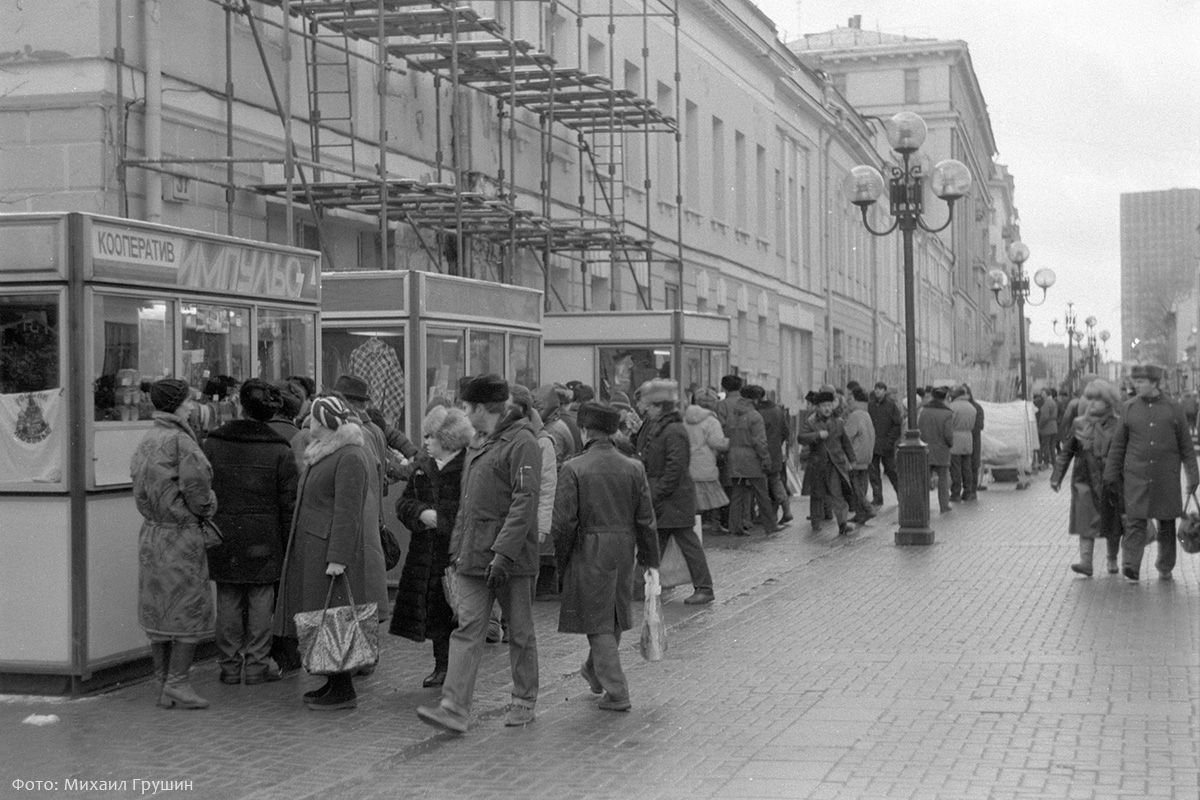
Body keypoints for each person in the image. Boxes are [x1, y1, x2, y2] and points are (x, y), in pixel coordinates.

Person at [417, 374, 542, 734]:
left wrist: (503, 554)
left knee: (519, 631)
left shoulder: (522, 443)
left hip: (510, 560)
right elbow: (467, 507)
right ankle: (454, 708)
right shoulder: (477, 443)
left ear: (481, 408)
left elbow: (524, 502)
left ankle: (524, 699)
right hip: (473, 555)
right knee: (467, 629)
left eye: (466, 407)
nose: (462, 413)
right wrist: (458, 549)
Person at [553, 402, 661, 712]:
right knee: (610, 613)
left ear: (585, 430)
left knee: (597, 622)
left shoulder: (573, 468)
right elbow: (646, 520)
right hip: (624, 548)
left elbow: (564, 523)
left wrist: (563, 561)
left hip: (589, 547)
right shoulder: (633, 467)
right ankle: (593, 670)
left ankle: (616, 690)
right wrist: (651, 561)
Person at [276, 395, 377, 710]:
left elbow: (348, 513)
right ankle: (332, 681)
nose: (310, 423)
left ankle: (343, 687)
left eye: (316, 418)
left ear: (329, 422)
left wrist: (339, 557)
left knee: (336, 618)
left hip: (329, 551)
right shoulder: (327, 453)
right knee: (321, 616)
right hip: (315, 547)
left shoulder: (349, 456)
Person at [202, 379, 299, 686]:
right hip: (265, 535)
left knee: (229, 595)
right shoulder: (280, 450)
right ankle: (257, 664)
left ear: (242, 407)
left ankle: (229, 666)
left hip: (224, 531)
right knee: (261, 598)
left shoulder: (213, 443)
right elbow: (289, 503)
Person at [130, 378, 218, 709]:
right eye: (189, 400)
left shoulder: (147, 439)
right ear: (179, 404)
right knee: (187, 609)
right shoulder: (182, 442)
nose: (193, 405)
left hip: (152, 535)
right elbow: (199, 492)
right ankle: (178, 683)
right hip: (181, 536)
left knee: (158, 613)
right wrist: (210, 506)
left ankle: (162, 683)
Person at [390, 405, 474, 688]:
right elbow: (403, 504)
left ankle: (457, 668)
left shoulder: (468, 468)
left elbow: (473, 510)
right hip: (426, 554)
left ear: (446, 438)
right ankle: (442, 666)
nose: (424, 441)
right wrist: (420, 513)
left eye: (430, 436)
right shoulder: (423, 469)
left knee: (456, 612)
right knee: (437, 613)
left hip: (455, 552)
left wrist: (443, 520)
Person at [1103, 364, 1199, 581]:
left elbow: (1186, 446)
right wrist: (1110, 474)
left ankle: (1165, 565)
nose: (1136, 385)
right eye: (1135, 381)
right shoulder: (1128, 408)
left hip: (1166, 476)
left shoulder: (1174, 409)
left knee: (1166, 522)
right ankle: (1131, 565)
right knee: (1135, 522)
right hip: (1136, 476)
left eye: (1141, 382)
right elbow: (1118, 446)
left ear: (1155, 383)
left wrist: (1193, 476)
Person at [637, 378, 714, 604]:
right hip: (669, 498)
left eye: (650, 406)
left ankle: (704, 588)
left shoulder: (672, 430)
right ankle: (641, 585)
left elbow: (675, 467)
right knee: (657, 542)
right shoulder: (664, 428)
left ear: (660, 407)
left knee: (685, 544)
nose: (647, 410)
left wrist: (656, 493)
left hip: (672, 499)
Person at [1050, 379, 1125, 576]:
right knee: (1085, 522)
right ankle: (1086, 562)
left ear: (1109, 402)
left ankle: (1112, 558)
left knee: (1113, 524)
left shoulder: (1118, 425)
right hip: (1084, 479)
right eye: (1089, 399)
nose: (1091, 404)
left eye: (1097, 400)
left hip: (1110, 480)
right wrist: (1056, 476)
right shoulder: (1079, 424)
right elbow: (1067, 452)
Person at [796, 390, 856, 535]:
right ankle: (815, 523)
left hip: (835, 464)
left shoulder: (838, 422)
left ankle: (842, 523)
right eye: (824, 405)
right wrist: (817, 435)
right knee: (817, 494)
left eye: (829, 405)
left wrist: (852, 459)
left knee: (837, 494)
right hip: (818, 463)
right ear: (817, 407)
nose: (827, 408)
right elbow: (801, 438)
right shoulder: (811, 422)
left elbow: (845, 442)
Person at [723, 384, 775, 536]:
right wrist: (765, 459)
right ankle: (770, 526)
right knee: (761, 494)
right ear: (756, 399)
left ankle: (735, 527)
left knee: (737, 495)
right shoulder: (755, 416)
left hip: (735, 459)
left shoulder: (733, 414)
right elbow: (760, 442)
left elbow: (727, 434)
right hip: (752, 460)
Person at [684, 388, 729, 534]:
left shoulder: (684, 418)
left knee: (693, 497)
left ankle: (694, 524)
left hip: (688, 462)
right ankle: (714, 524)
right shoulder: (711, 421)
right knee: (713, 496)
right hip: (705, 462)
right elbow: (717, 442)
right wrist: (729, 442)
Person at [756, 388, 792, 524]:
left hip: (761, 454)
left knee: (762, 486)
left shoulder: (757, 413)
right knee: (776, 482)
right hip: (776, 452)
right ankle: (787, 509)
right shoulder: (778, 410)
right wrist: (777, 443)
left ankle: (765, 515)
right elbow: (786, 432)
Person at [917, 386, 954, 513]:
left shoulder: (924, 411)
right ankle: (944, 505)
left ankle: (923, 506)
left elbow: (919, 428)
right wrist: (950, 444)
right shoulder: (947, 413)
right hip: (941, 450)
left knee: (924, 480)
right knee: (943, 479)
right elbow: (948, 434)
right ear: (944, 398)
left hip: (926, 449)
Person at [867, 380, 903, 507]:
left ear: (884, 391)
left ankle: (901, 495)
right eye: (876, 388)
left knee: (891, 470)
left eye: (880, 389)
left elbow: (897, 424)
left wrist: (890, 440)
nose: (877, 391)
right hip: (873, 444)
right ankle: (877, 497)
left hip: (886, 444)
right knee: (873, 472)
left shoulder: (891, 405)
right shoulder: (870, 405)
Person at [843, 387, 876, 524]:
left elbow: (847, 436)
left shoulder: (855, 415)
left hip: (855, 456)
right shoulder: (866, 414)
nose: (847, 403)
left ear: (855, 400)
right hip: (866, 455)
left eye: (850, 399)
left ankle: (867, 509)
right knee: (862, 484)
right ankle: (860, 514)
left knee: (855, 486)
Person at [948, 386, 978, 503]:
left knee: (955, 467)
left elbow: (950, 423)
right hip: (968, 437)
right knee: (967, 467)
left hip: (956, 438)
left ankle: (956, 493)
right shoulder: (971, 407)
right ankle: (968, 491)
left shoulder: (953, 407)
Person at [962, 384, 986, 494]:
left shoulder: (976, 407)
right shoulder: (976, 407)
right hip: (966, 440)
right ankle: (969, 490)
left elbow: (979, 425)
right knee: (966, 465)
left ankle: (972, 489)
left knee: (973, 465)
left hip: (973, 440)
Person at [1037, 387, 1059, 469]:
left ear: (1046, 393)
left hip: (1047, 428)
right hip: (1054, 427)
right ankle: (1054, 463)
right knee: (1052, 446)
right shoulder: (1053, 402)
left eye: (1042, 393)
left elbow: (1044, 417)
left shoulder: (1047, 403)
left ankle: (1046, 463)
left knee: (1046, 445)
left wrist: (1040, 426)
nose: (1041, 395)